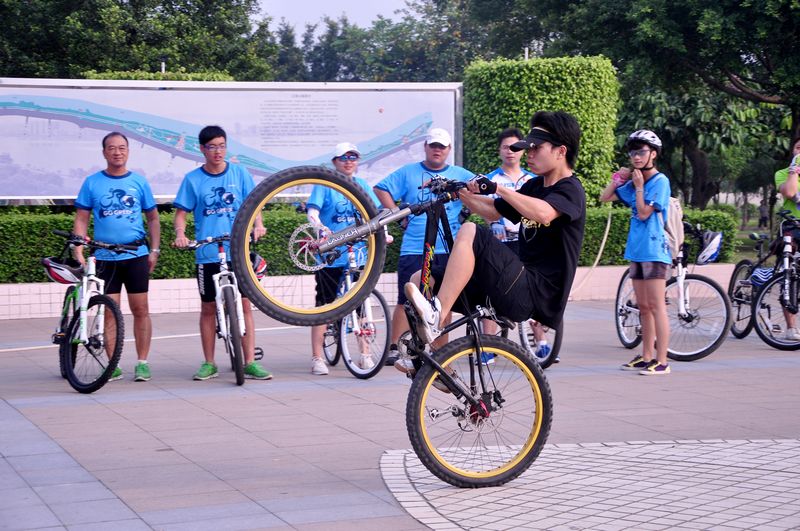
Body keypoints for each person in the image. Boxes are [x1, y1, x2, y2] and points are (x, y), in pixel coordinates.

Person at [402, 111, 585, 366]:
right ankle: (439, 366)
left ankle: (437, 316)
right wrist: (458, 190)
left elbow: (543, 214)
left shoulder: (571, 189)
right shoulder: (534, 187)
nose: (529, 154)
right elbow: (493, 210)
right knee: (422, 280)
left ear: (561, 151)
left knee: (470, 230)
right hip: (511, 285)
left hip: (533, 293)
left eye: (536, 148)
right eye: (529, 148)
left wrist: (497, 187)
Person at [173, 125, 272, 381]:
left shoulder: (240, 173)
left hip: (238, 249)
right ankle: (209, 363)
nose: (217, 152)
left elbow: (255, 203)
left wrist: (258, 225)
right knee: (208, 308)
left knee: (245, 304)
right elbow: (181, 214)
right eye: (212, 147)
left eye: (222, 146)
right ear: (202, 149)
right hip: (207, 252)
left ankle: (249, 362)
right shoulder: (193, 179)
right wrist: (180, 234)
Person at [374, 128, 474, 365]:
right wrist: (397, 214)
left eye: (442, 146)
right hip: (414, 248)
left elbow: (480, 189)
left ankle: (441, 350)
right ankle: (395, 348)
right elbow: (381, 188)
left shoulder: (459, 174)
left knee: (443, 302)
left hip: (447, 249)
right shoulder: (409, 172)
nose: (437, 150)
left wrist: (467, 211)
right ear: (426, 147)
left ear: (449, 149)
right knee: (406, 299)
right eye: (433, 145)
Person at [72, 132, 160, 382]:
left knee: (141, 309)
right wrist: (78, 247)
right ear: (104, 152)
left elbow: (153, 218)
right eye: (111, 148)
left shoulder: (139, 182)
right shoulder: (92, 183)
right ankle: (112, 365)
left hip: (135, 255)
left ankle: (142, 362)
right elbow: (81, 218)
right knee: (109, 311)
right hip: (104, 257)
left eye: (122, 148)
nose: (117, 152)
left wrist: (154, 250)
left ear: (128, 151)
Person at [306, 143, 385, 375]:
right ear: (334, 161)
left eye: (353, 157)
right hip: (331, 254)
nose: (349, 161)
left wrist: (385, 233)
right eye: (343, 158)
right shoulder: (326, 184)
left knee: (361, 303)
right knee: (325, 305)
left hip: (357, 253)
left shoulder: (362, 186)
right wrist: (321, 229)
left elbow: (377, 214)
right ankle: (317, 357)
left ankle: (365, 354)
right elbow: (312, 212)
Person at [599, 129, 672, 375]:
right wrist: (618, 178)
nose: (636, 157)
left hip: (654, 251)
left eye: (641, 152)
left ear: (653, 154)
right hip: (637, 250)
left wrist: (639, 187)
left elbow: (643, 213)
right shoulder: (633, 181)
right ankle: (646, 355)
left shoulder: (660, 181)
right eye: (633, 153)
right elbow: (605, 197)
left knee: (656, 305)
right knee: (643, 306)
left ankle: (662, 361)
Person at [774, 136, 800, 340]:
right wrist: (793, 170)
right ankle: (791, 328)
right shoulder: (782, 174)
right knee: (788, 274)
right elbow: (790, 191)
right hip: (792, 227)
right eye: (798, 148)